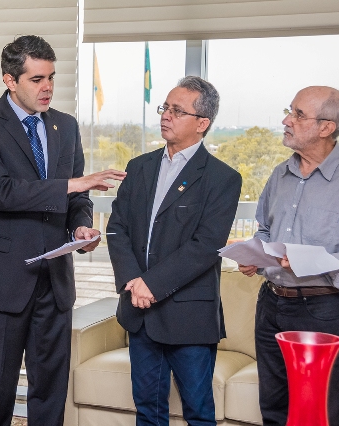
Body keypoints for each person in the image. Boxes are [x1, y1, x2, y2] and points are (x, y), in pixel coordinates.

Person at [0, 35, 125, 426]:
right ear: (9, 80)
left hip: (54, 281)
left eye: (51, 77)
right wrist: (76, 184)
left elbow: (77, 201)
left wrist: (82, 226)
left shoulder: (65, 127)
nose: (47, 86)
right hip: (0, 282)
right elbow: (2, 193)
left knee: (50, 391)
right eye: (36, 79)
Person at [238, 86, 339, 426]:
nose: (286, 120)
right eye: (289, 111)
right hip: (270, 305)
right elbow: (264, 230)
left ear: (326, 127)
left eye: (298, 114)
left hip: (321, 310)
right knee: (274, 408)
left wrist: (310, 261)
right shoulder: (279, 175)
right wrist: (257, 254)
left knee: (325, 412)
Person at [107, 76, 242, 426]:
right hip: (139, 311)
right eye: (165, 107)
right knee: (148, 411)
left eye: (177, 110)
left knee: (198, 412)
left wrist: (150, 285)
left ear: (202, 124)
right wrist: (133, 280)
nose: (166, 115)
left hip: (189, 317)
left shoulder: (222, 178)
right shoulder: (139, 167)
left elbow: (205, 247)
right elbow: (117, 227)